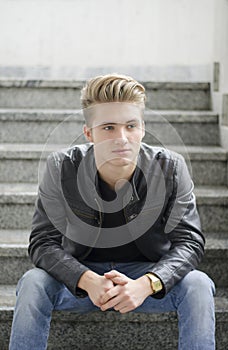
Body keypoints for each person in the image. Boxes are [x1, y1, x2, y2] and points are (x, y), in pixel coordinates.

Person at [9, 74, 215, 350]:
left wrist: (147, 283)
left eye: (131, 126)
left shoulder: (170, 167)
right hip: (81, 279)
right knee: (33, 282)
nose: (122, 138)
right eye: (108, 127)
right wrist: (87, 280)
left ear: (142, 128)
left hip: (148, 276)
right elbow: (42, 243)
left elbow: (189, 242)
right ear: (89, 133)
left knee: (199, 285)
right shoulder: (61, 167)